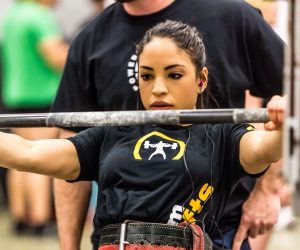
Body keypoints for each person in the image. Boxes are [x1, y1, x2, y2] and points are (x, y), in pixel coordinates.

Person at [0, 20, 286, 249]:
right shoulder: (109, 135)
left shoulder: (225, 135)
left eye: (174, 75)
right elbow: (27, 152)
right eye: (147, 76)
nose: (158, 88)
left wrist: (282, 124)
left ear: (201, 80)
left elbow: (266, 148)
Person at [1, 0, 68, 235]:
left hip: (15, 96)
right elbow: (55, 57)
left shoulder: (14, 13)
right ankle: (40, 221)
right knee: (37, 158)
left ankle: (20, 218)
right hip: (40, 97)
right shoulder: (39, 16)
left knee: (15, 161)